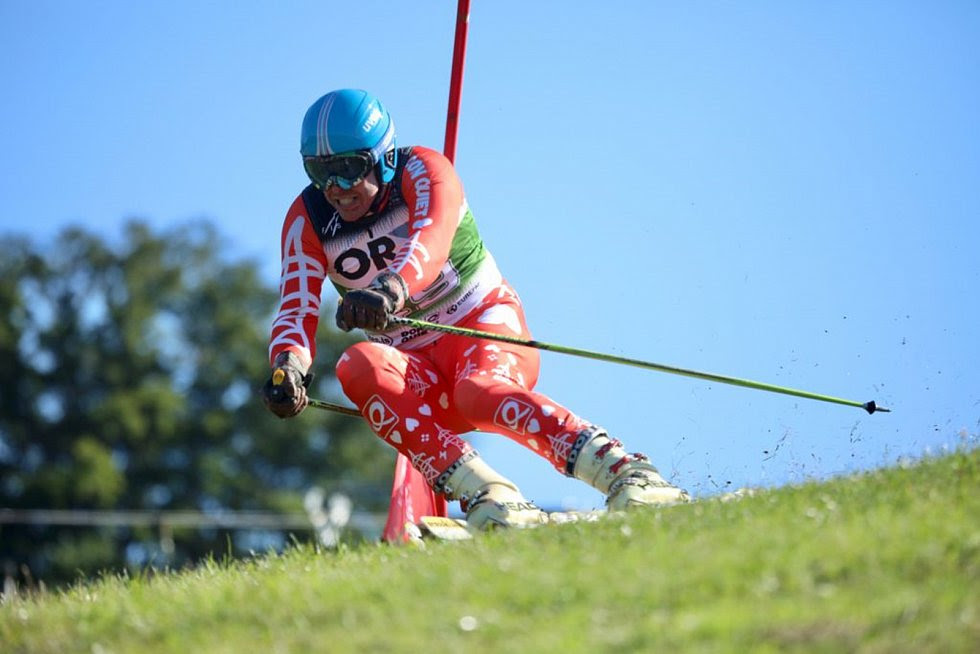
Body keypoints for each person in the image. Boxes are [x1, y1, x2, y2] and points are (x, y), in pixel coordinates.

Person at [262, 89, 689, 530]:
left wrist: (390, 290)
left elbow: (431, 241)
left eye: (349, 169)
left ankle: (626, 471)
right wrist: (288, 367)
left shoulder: (425, 171)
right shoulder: (306, 219)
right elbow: (296, 309)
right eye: (319, 172)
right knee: (357, 364)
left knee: (477, 390)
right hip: (418, 373)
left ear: (382, 157)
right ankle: (490, 498)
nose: (336, 189)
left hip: (480, 327)